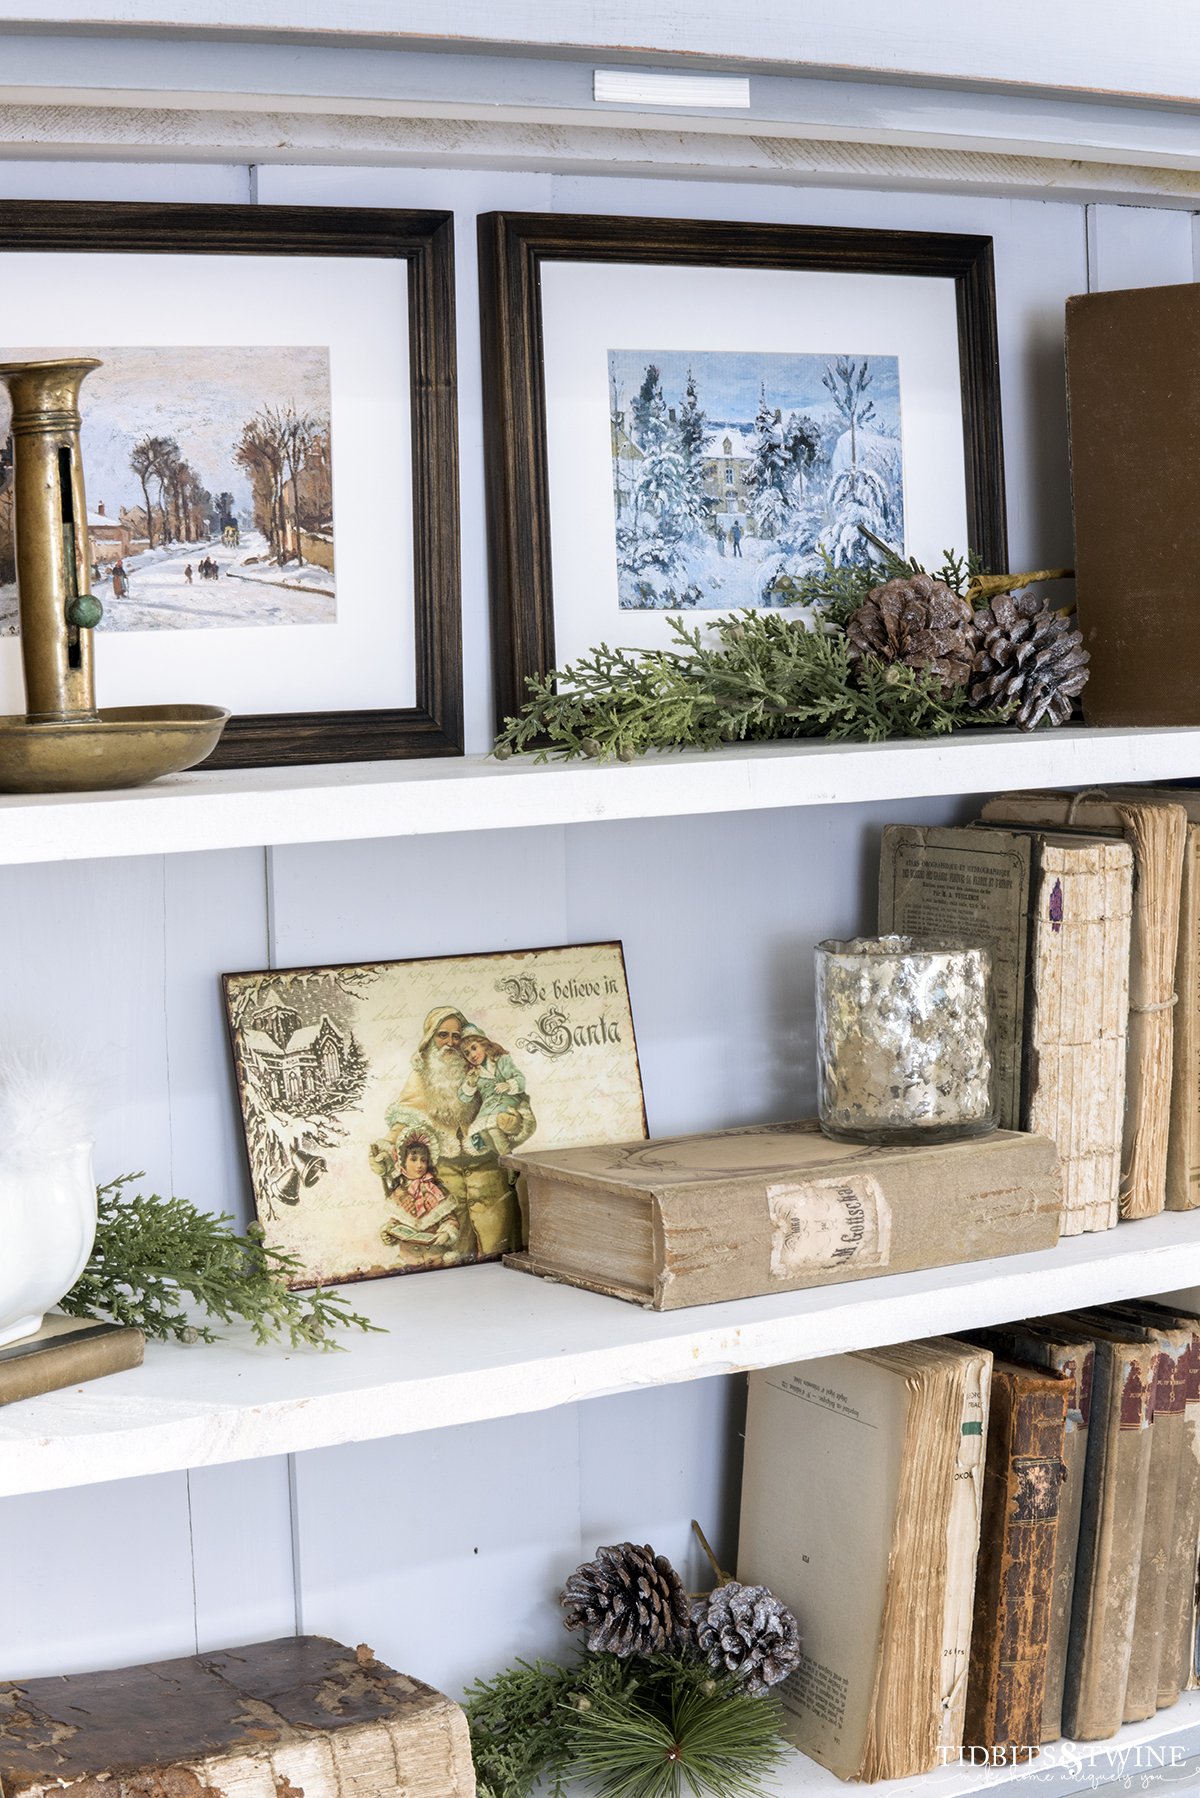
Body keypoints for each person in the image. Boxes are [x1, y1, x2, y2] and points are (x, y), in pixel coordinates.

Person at [392, 1005, 521, 1257]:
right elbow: (402, 1121)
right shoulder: (420, 1078)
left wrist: (512, 1122)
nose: (450, 1043)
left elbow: (519, 1111)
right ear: (430, 1039)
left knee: (499, 1249)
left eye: (456, 1036)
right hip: (444, 1178)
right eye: (443, 1035)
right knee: (451, 1253)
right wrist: (385, 1149)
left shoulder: (486, 1070)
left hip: (489, 1173)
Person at [457, 1025, 535, 1158]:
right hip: (488, 1111)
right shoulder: (474, 1073)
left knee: (499, 1126)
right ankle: (509, 1161)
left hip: (508, 1103)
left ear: (484, 1045)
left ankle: (510, 1164)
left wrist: (509, 1085)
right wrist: (471, 1083)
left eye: (474, 1048)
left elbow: (520, 1079)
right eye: (467, 1053)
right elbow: (464, 1097)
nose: (472, 1055)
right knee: (486, 1133)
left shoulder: (502, 1060)